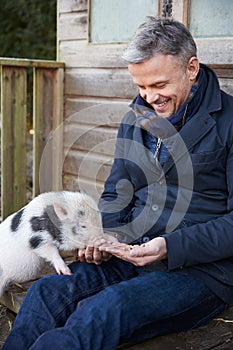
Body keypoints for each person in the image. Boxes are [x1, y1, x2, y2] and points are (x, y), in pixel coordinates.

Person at [3, 16, 233, 350]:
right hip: (130, 253)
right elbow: (116, 192)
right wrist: (105, 237)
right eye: (140, 87)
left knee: (102, 311)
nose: (149, 97)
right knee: (46, 292)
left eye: (158, 85)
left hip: (199, 273)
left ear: (192, 68)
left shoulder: (229, 122)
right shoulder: (136, 118)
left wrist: (170, 246)